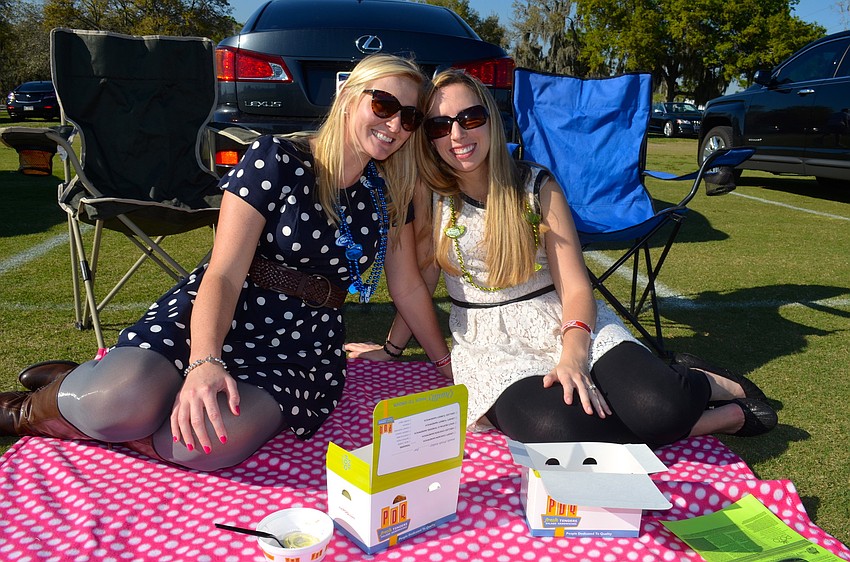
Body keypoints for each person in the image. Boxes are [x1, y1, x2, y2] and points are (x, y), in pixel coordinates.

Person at [0, 54, 450, 471]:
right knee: (118, 402)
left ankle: (124, 400)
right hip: (225, 311)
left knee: (199, 445)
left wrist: (445, 364)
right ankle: (31, 409)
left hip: (301, 347)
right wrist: (204, 363)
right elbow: (224, 272)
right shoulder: (276, 159)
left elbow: (407, 287)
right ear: (349, 97)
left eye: (409, 117)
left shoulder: (386, 192)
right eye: (385, 104)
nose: (395, 124)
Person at [346, 69, 777, 446]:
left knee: (657, 405)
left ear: (492, 121)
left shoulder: (535, 184)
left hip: (560, 316)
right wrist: (391, 347)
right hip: (488, 343)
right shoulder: (429, 195)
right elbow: (416, 280)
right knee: (556, 427)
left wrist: (573, 355)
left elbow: (574, 286)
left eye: (469, 118)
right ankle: (717, 419)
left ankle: (703, 382)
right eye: (440, 126)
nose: (456, 135)